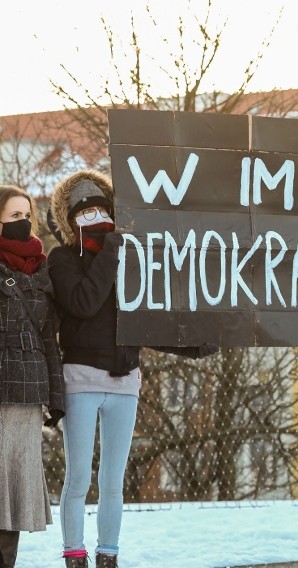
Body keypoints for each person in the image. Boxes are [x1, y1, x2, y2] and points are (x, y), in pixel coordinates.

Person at [48, 170, 218, 568]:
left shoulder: (130, 259)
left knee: (112, 480)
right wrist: (109, 254)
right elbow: (85, 303)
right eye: (84, 213)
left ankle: (109, 553)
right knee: (78, 478)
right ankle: (75, 553)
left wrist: (193, 346)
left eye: (100, 210)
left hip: (125, 383)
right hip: (81, 382)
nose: (94, 218)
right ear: (71, 220)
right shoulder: (63, 261)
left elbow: (144, 320)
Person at [0, 185, 64, 568]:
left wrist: (57, 397)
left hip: (28, 394)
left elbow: (49, 340)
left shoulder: (43, 271)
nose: (23, 223)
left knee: (13, 490)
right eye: (14, 217)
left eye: (27, 216)